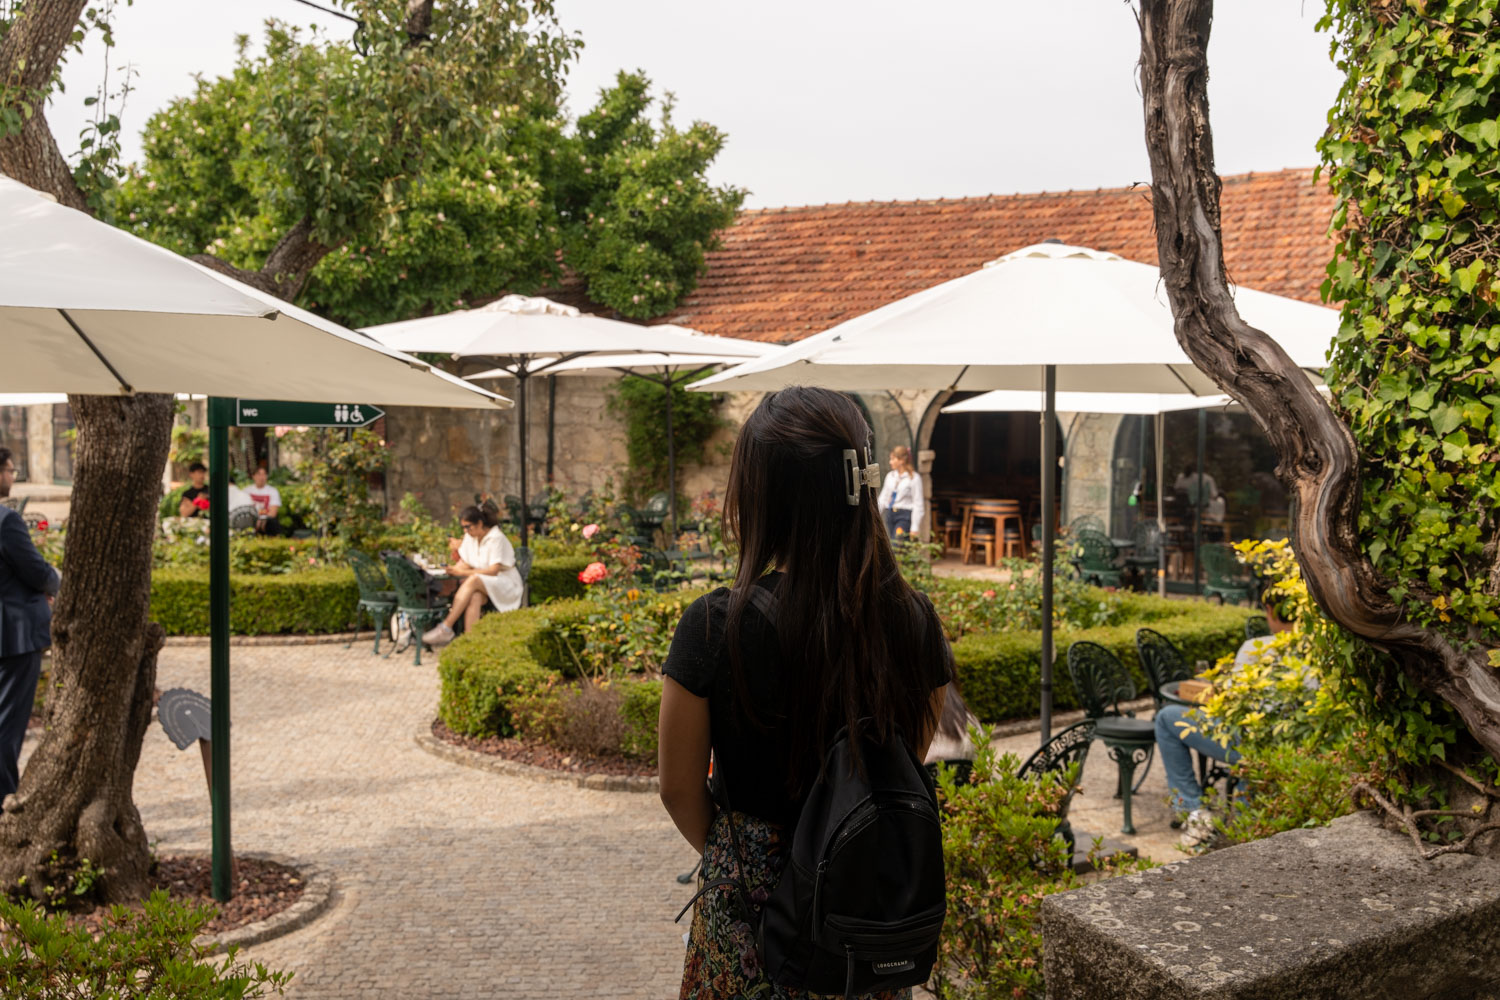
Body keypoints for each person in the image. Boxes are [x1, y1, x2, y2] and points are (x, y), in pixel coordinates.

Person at [658, 386, 953, 1000]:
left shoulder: (716, 625)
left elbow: (678, 787)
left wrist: (748, 856)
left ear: (759, 493)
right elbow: (909, 757)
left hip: (753, 909)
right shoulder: (914, 618)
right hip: (859, 911)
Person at [1154, 594, 1296, 850]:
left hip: (1252, 743)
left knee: (1166, 718)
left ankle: (1193, 810)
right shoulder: (1322, 649)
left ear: (1270, 610)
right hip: (1295, 745)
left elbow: (1230, 704)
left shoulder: (1257, 648)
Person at [0, 447, 60, 804]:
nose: (12, 477)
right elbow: (38, 573)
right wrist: (56, 582)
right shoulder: (6, 521)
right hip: (14, 636)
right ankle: (4, 799)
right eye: (10, 470)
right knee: (7, 724)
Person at [421, 504, 523, 646]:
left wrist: (462, 572)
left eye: (468, 526)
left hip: (505, 583)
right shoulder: (471, 537)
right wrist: (452, 569)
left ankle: (446, 626)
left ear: (480, 523)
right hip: (486, 584)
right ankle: (470, 643)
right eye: (463, 527)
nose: (465, 531)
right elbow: (467, 562)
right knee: (474, 596)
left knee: (474, 579)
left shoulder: (496, 538)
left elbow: (493, 570)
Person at [877, 444, 926, 539]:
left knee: (897, 543)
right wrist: (874, 515)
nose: (890, 462)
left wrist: (915, 527)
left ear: (902, 460)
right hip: (890, 514)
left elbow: (918, 503)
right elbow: (883, 498)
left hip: (904, 516)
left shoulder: (914, 478)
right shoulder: (890, 476)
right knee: (894, 546)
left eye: (893, 459)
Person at [245, 466, 283, 536]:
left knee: (272, 522)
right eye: (259, 474)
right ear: (253, 476)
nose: (261, 477)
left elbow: (273, 513)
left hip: (266, 521)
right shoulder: (247, 491)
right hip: (250, 520)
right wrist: (255, 520)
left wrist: (261, 520)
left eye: (264, 474)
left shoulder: (273, 491)